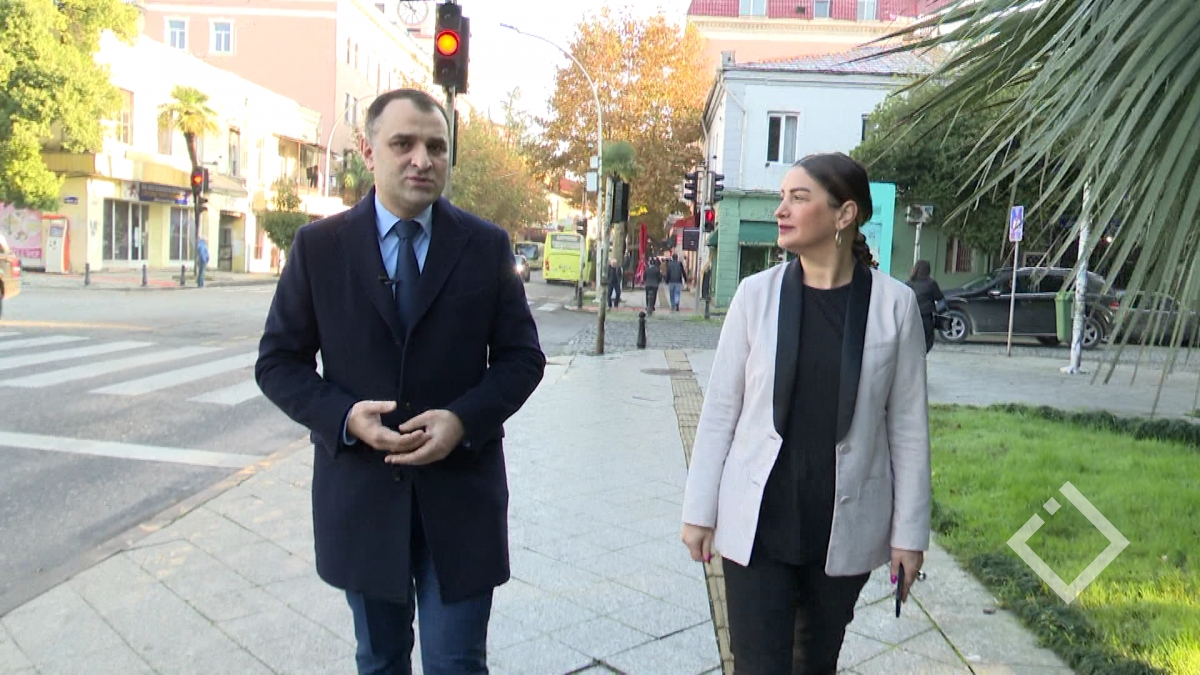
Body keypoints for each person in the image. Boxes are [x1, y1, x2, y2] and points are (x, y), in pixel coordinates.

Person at [255, 88, 546, 675]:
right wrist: (344, 417)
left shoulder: (485, 246)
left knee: (457, 662)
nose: (422, 159)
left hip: (461, 498)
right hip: (362, 500)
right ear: (368, 152)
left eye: (436, 147)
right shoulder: (319, 248)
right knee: (380, 660)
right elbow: (278, 362)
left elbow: (522, 358)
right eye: (403, 144)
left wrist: (462, 419)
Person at [680, 152, 931, 675]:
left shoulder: (894, 306)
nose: (781, 210)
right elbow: (721, 409)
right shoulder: (755, 296)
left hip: (841, 526)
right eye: (782, 198)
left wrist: (909, 535)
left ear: (844, 214)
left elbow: (908, 429)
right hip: (759, 523)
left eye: (798, 198)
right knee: (757, 665)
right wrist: (699, 511)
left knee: (815, 663)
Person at [907, 259, 944, 353]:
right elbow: (939, 297)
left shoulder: (908, 283)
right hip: (926, 316)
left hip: (911, 316)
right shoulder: (931, 283)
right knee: (927, 339)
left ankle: (914, 355)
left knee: (912, 338)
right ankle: (922, 355)